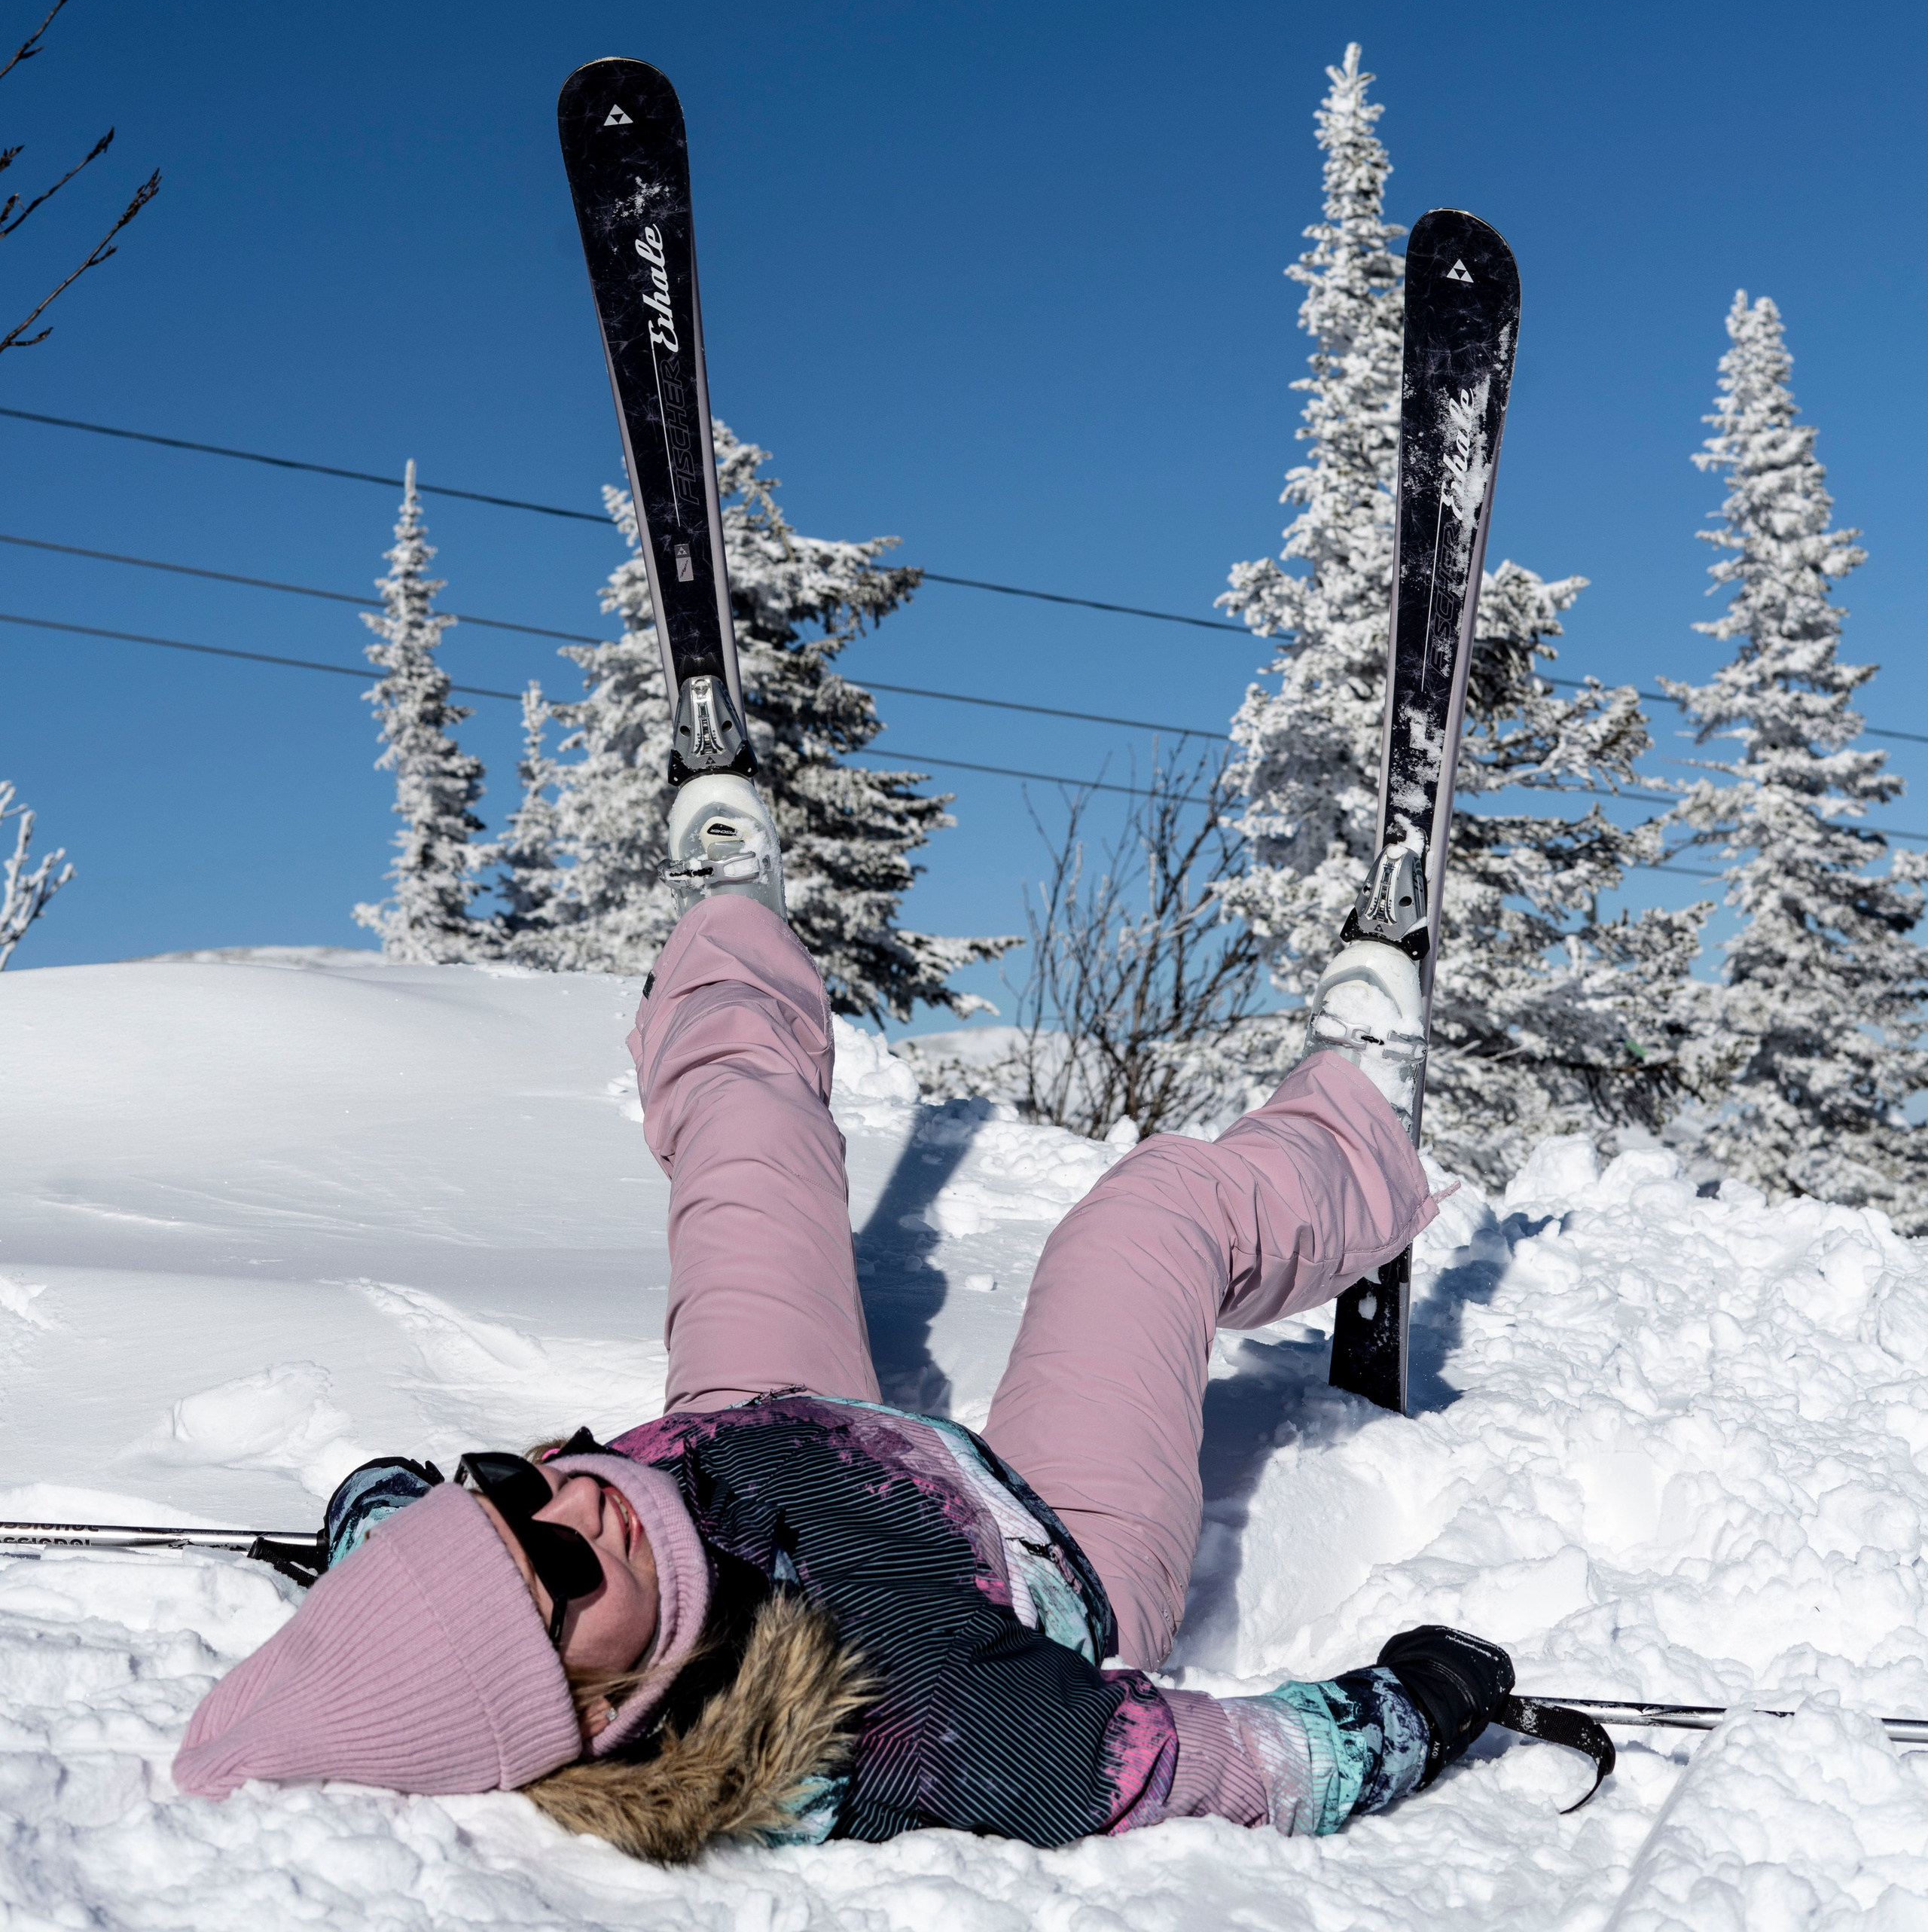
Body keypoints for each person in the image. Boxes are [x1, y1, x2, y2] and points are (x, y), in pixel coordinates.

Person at [174, 773, 1518, 1861]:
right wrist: (1404, 1714)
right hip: (1044, 1544)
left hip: (763, 1436)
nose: (574, 1502)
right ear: (598, 1711)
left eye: (510, 1493)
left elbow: (397, 1551)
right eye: (561, 1574)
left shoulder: (597, 1538)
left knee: (745, 1129)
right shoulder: (918, 1715)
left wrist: (375, 1513)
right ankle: (1357, 1124)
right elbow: (1208, 1769)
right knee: (1147, 1220)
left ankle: (727, 922)